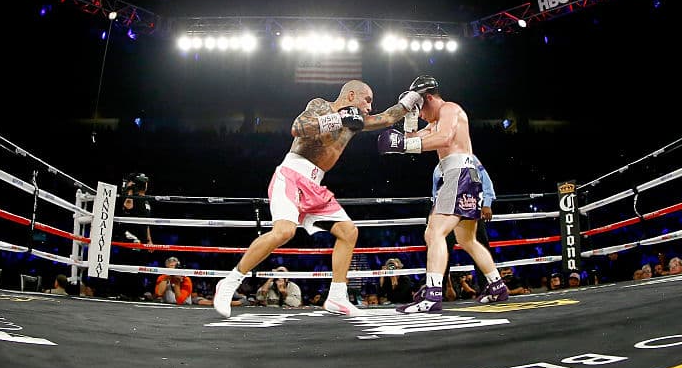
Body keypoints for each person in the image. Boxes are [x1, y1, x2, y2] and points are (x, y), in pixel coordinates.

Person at [212, 80, 417, 317]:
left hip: (314, 184)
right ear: (351, 95)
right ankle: (229, 282)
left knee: (348, 232)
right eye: (367, 100)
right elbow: (298, 127)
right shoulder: (321, 105)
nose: (370, 107)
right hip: (291, 175)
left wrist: (414, 96)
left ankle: (337, 297)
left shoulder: (356, 123)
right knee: (284, 232)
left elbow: (388, 118)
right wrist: (339, 119)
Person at [377, 75, 509, 312]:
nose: (420, 113)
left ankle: (432, 294)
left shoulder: (450, 109)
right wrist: (408, 116)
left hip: (460, 173)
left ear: (428, 98)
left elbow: (444, 138)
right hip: (463, 176)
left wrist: (405, 145)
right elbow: (410, 141)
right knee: (467, 240)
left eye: (419, 107)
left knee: (434, 232)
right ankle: (497, 286)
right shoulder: (432, 124)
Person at [438, 155, 496, 293]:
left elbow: (485, 180)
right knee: (442, 249)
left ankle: (488, 286)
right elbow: (437, 188)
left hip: (471, 208)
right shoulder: (442, 163)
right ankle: (438, 290)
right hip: (449, 212)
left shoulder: (471, 159)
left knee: (479, 246)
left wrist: (487, 204)